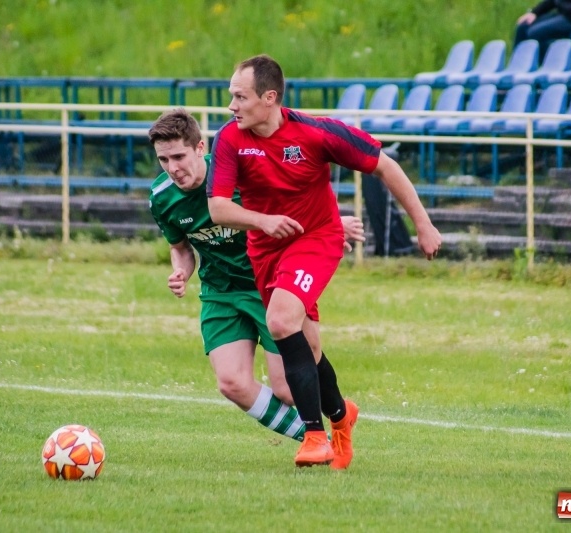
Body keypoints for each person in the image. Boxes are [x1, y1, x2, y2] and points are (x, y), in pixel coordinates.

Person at [207, 54, 442, 468]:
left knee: (281, 321)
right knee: (309, 346)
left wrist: (423, 226)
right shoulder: (229, 139)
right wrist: (263, 221)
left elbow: (385, 166)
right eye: (232, 96)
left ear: (269, 97)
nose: (232, 106)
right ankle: (341, 415)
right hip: (265, 250)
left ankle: (314, 437)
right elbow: (218, 208)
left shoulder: (316, 132)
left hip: (316, 238)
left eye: (240, 97)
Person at [147, 108, 365, 448]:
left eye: (179, 157)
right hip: (220, 291)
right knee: (231, 383)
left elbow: (292, 199)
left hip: (270, 285)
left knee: (287, 389)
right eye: (163, 159)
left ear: (200, 148)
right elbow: (181, 248)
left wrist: (333, 224)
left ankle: (338, 413)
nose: (173, 168)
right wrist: (181, 271)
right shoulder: (162, 197)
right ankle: (314, 438)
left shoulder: (235, 175)